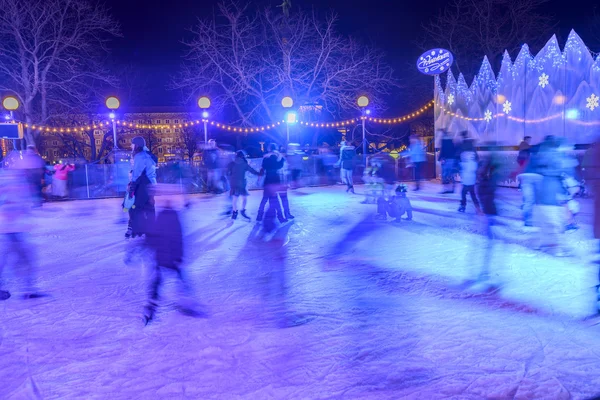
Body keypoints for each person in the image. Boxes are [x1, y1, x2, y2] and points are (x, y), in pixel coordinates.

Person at [143, 197, 202, 325]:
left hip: (160, 258)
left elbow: (152, 237)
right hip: (172, 259)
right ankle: (186, 301)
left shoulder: (159, 217)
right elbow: (178, 239)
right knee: (181, 278)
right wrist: (179, 257)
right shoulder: (175, 217)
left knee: (157, 281)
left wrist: (146, 248)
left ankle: (151, 305)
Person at [0, 153, 45, 300]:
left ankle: (28, 289)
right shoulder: (10, 180)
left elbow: (23, 202)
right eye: (32, 169)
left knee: (21, 258)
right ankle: (28, 289)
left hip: (14, 228)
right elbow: (7, 201)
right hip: (9, 229)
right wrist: (11, 210)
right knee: (19, 258)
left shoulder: (19, 180)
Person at [128, 136, 157, 238]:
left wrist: (132, 186)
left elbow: (137, 173)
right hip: (151, 185)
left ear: (137, 145)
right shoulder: (148, 155)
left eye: (132, 143)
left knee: (135, 207)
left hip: (142, 185)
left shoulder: (140, 156)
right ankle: (151, 229)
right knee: (149, 207)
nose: (131, 145)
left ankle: (137, 229)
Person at [257, 143, 293, 225]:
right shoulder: (279, 157)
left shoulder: (266, 158)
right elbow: (281, 166)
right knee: (277, 200)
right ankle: (282, 217)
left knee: (266, 199)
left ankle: (260, 215)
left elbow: (263, 168)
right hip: (277, 180)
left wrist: (259, 178)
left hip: (268, 180)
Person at [228, 150, 261, 220]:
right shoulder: (244, 163)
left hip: (233, 182)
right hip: (241, 183)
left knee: (235, 198)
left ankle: (234, 212)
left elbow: (228, 172)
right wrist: (259, 173)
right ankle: (242, 210)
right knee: (244, 197)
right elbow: (252, 171)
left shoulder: (232, 163)